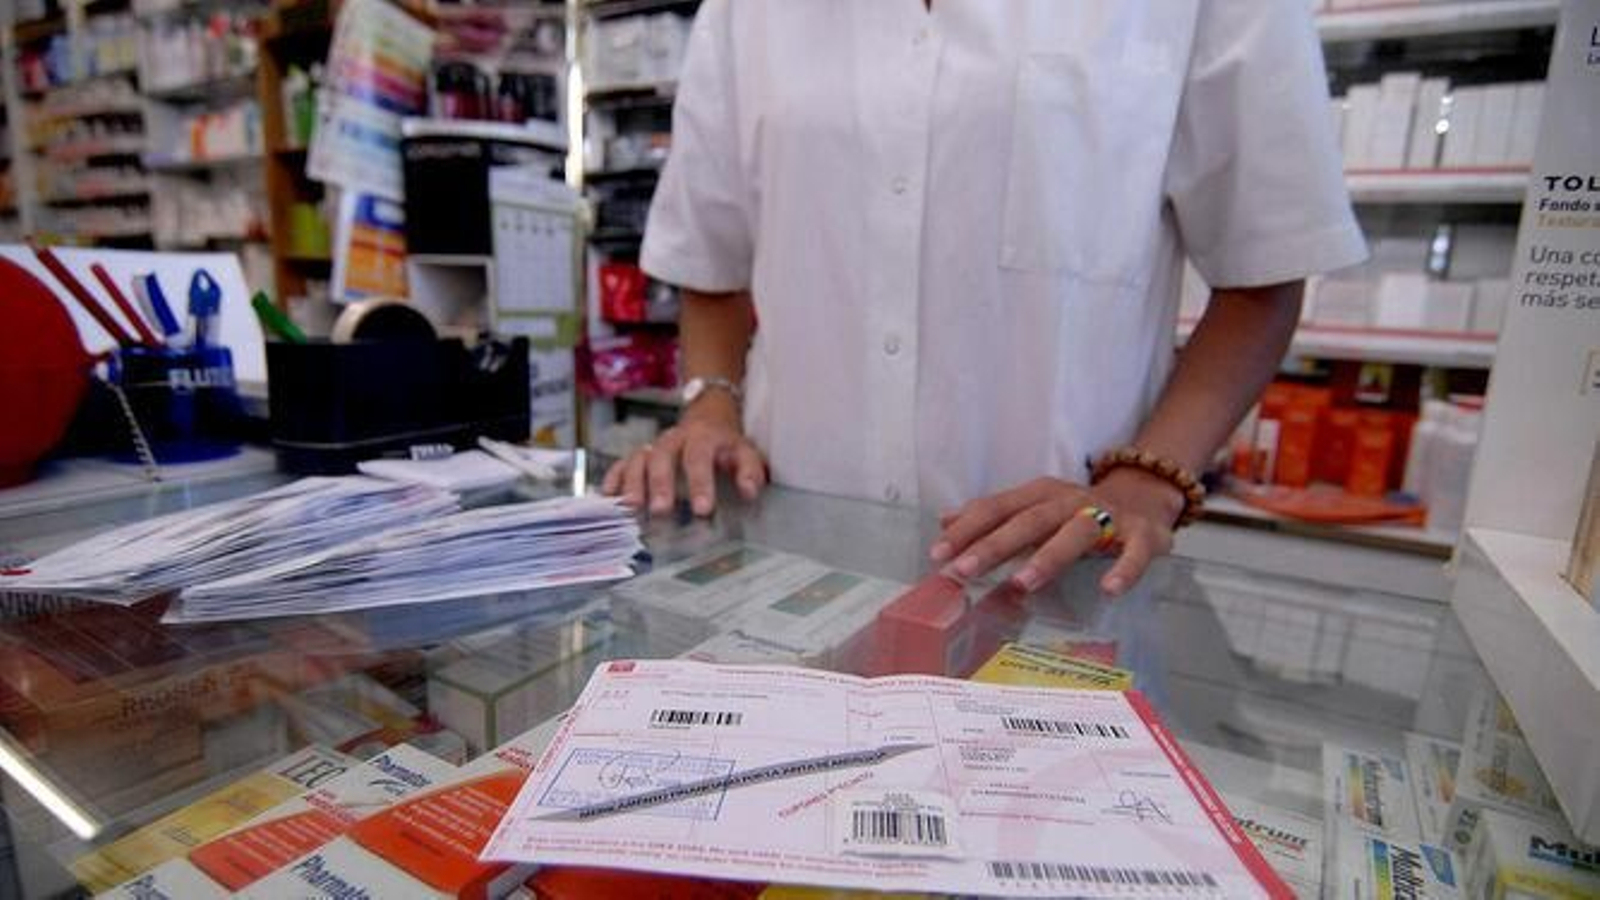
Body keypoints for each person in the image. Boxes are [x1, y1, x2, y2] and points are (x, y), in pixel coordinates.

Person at [602, 2, 1365, 597]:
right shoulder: (746, 11)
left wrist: (1147, 482)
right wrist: (710, 404)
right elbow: (711, 259)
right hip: (788, 570)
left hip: (1055, 586)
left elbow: (1265, 268)